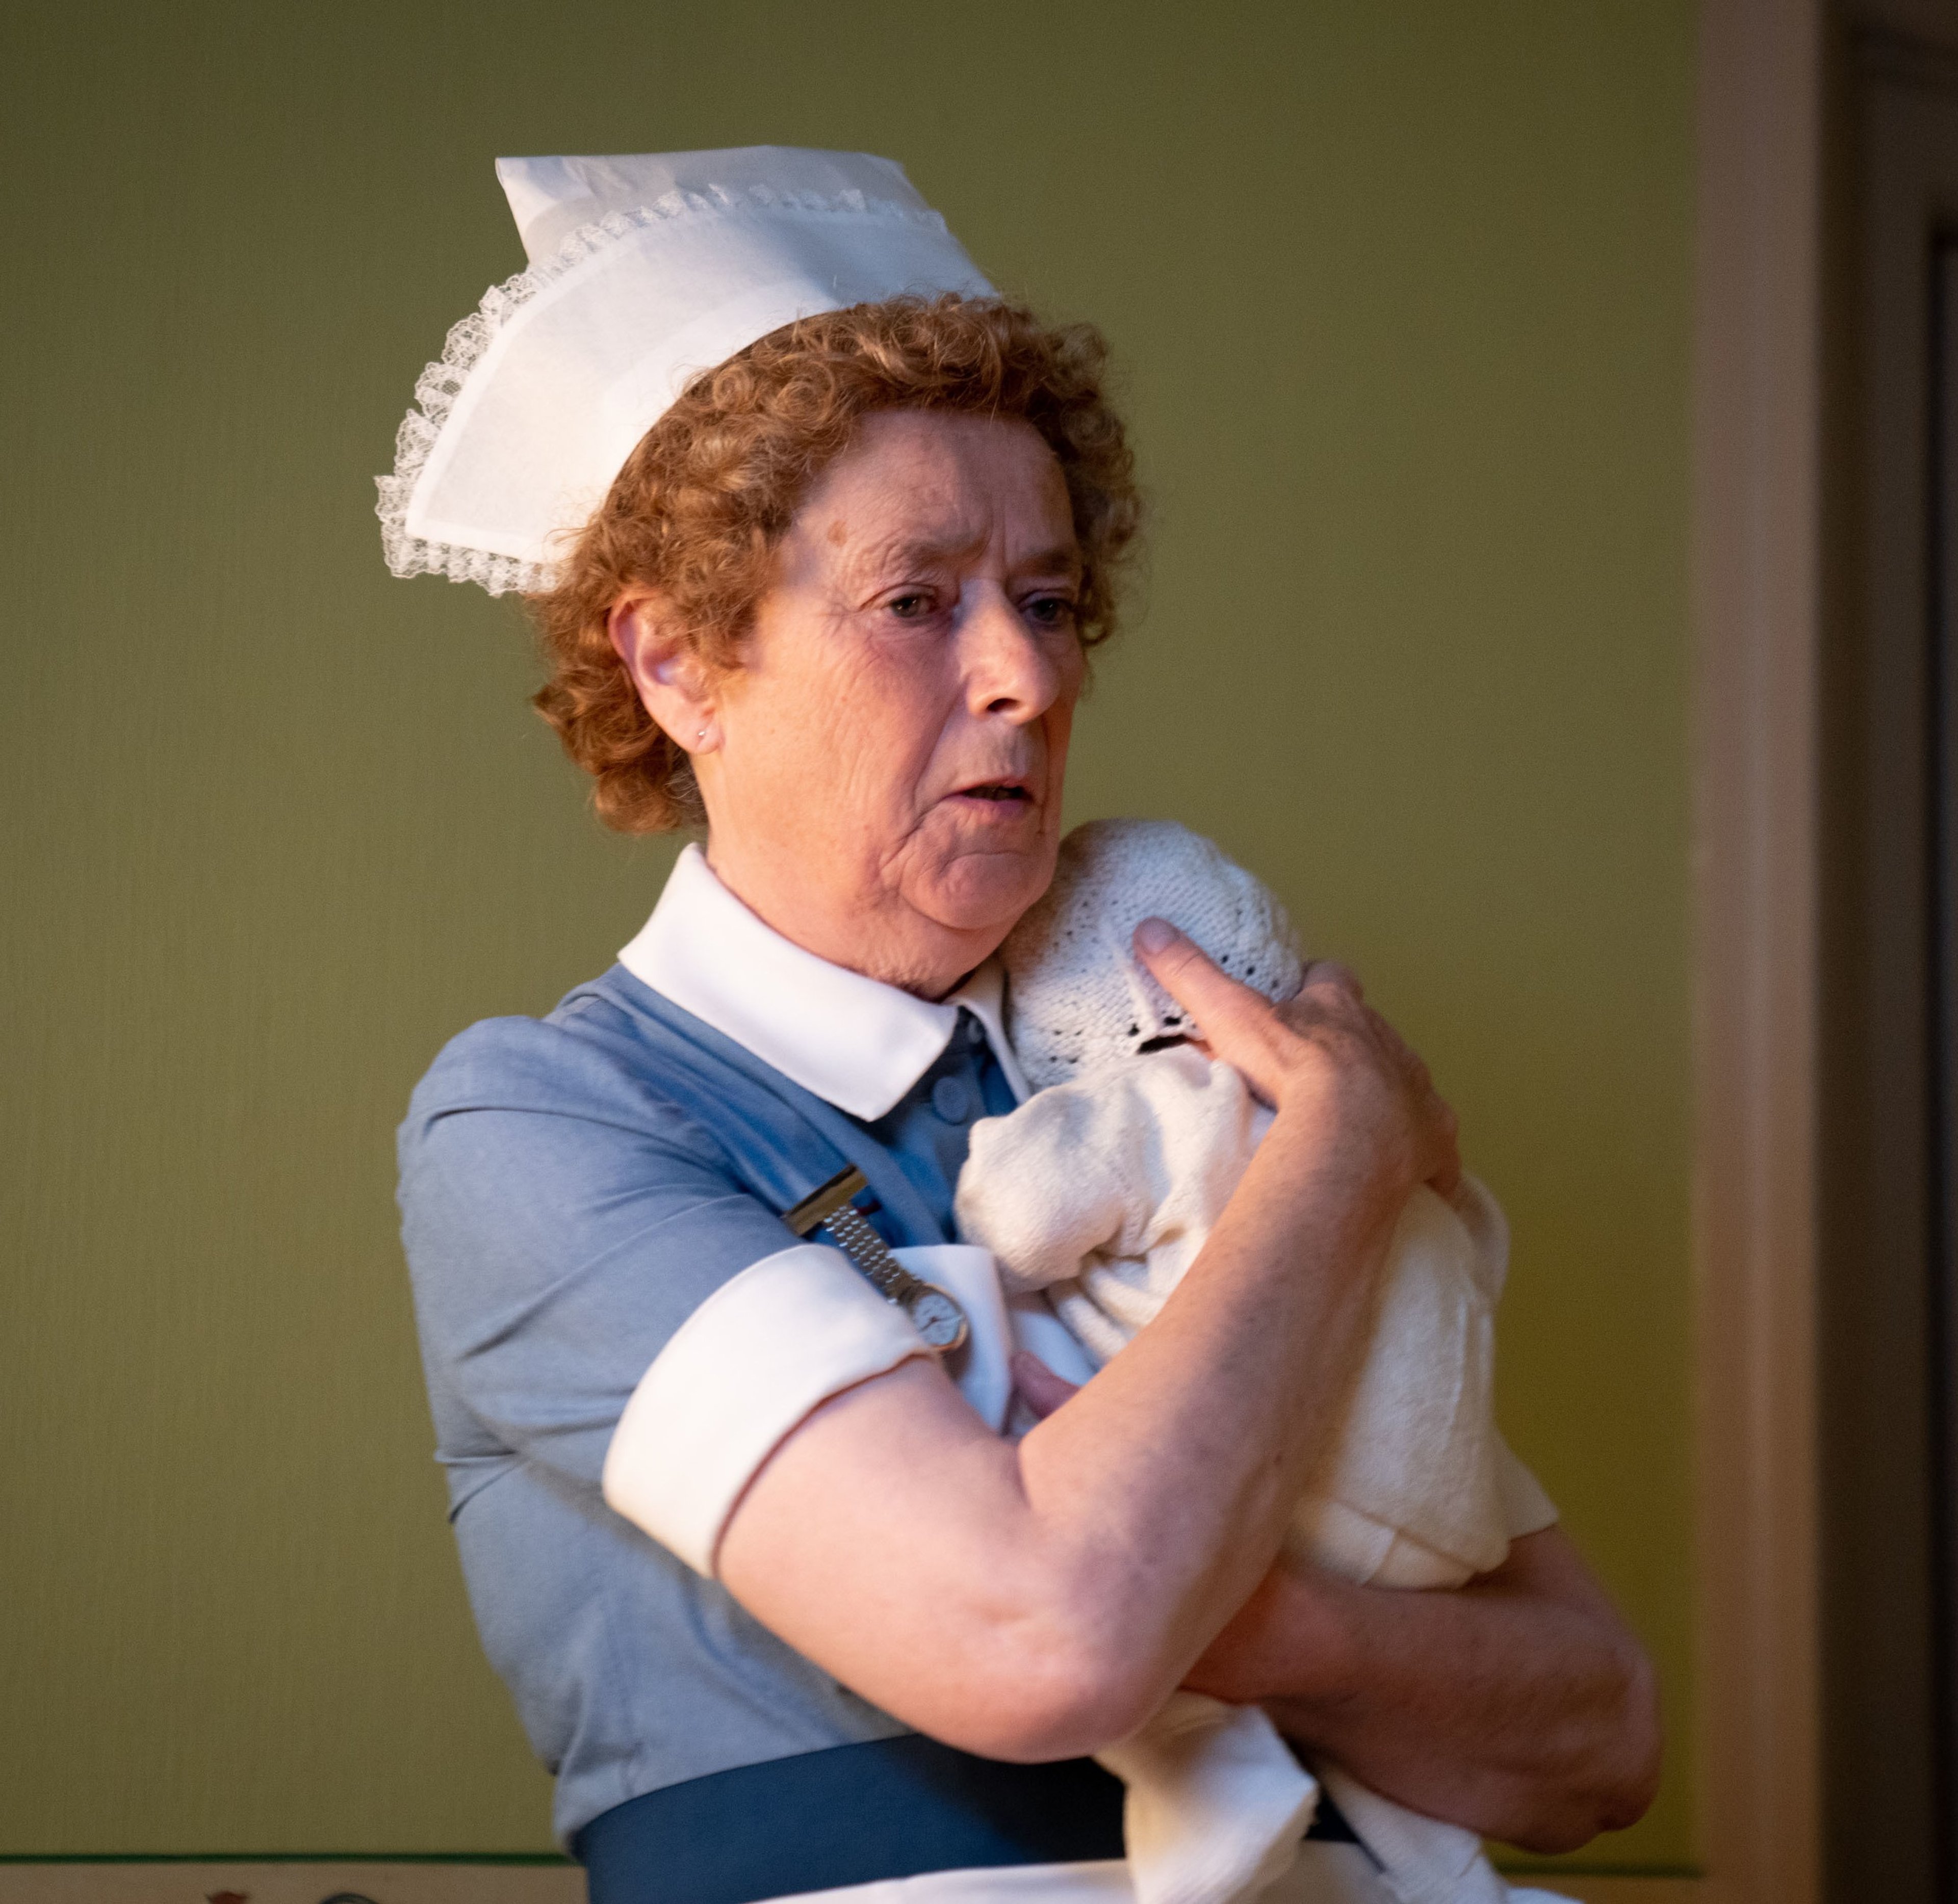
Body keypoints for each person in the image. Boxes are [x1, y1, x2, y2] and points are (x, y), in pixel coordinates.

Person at [383, 147, 1660, 1904]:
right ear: (680, 661)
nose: (1031, 677)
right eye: (919, 602)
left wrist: (1236, 1611)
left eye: (1049, 601)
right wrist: (1345, 1163)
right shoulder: (549, 1126)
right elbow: (1047, 1642)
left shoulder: (1167, 1075)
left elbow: (1599, 1735)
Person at [956, 817, 1537, 1904]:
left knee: (1161, 1664)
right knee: (1400, 1784)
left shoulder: (1154, 1103)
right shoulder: (1393, 1138)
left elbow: (1023, 1220)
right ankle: (1455, 1878)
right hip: (1450, 1528)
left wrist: (998, 1140)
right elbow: (1479, 1255)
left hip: (1303, 1508)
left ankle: (1209, 1810)